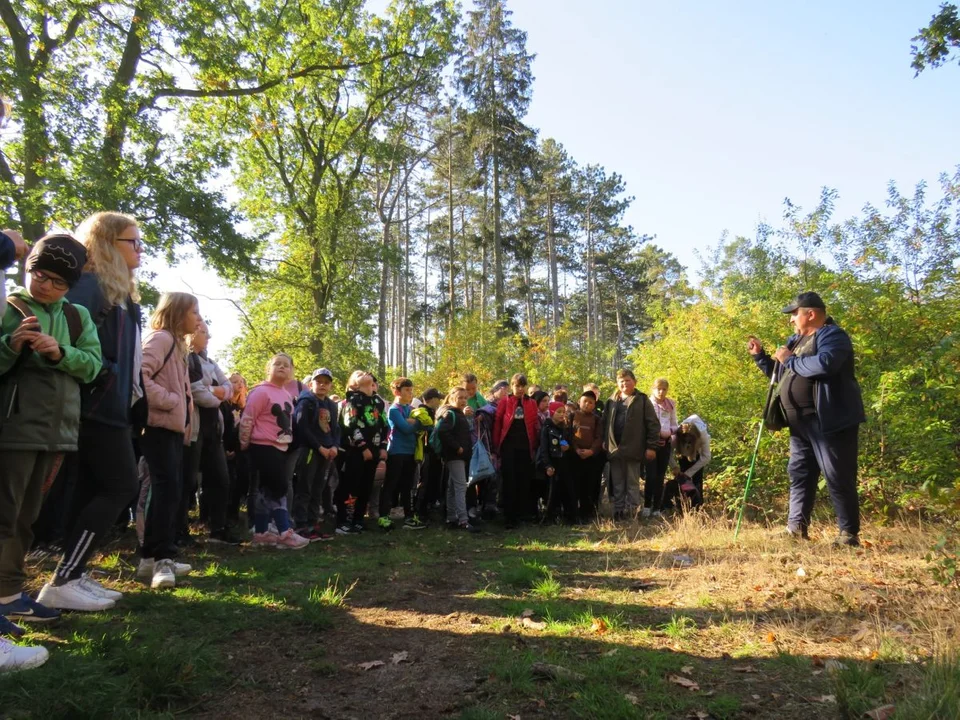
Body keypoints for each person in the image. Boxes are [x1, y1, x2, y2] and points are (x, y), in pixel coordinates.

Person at [0, 234, 102, 668]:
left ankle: (9, 594)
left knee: (28, 515)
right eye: (39, 274)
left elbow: (94, 364)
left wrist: (61, 352)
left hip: (58, 432)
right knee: (4, 514)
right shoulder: (8, 308)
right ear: (28, 269)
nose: (45, 286)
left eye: (58, 282)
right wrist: (12, 346)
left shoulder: (78, 317)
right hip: (14, 429)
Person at [37, 213, 143, 611]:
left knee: (91, 489)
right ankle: (65, 577)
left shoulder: (118, 293)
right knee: (121, 486)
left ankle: (73, 574)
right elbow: (68, 339)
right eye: (133, 242)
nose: (140, 250)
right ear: (106, 242)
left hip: (111, 407)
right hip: (94, 407)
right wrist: (107, 377)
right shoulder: (89, 285)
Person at [748, 291, 865, 546]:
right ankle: (796, 529)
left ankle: (848, 534)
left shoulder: (833, 336)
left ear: (810, 314)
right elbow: (782, 374)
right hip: (798, 424)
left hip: (829, 420)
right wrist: (761, 358)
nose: (791, 320)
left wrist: (789, 359)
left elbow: (824, 365)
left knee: (837, 474)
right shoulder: (795, 340)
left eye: (794, 314)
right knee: (800, 473)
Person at [138, 292, 200, 588]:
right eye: (194, 312)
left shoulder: (177, 346)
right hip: (157, 427)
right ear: (177, 313)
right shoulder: (160, 339)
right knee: (164, 491)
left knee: (172, 491)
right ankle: (160, 557)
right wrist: (171, 401)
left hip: (173, 430)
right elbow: (140, 377)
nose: (198, 319)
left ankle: (151, 558)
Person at [239, 353, 308, 550]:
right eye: (277, 363)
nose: (282, 367)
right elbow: (248, 419)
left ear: (292, 371)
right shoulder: (260, 392)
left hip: (280, 448)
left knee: (267, 490)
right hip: (262, 446)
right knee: (279, 488)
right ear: (268, 368)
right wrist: (245, 443)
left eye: (286, 365)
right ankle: (285, 532)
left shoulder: (286, 394)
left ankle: (261, 533)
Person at [184, 321, 239, 544]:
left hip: (213, 429)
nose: (209, 337)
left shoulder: (210, 361)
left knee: (220, 479)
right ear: (192, 333)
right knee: (187, 481)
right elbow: (196, 392)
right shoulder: (185, 358)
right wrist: (216, 394)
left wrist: (213, 392)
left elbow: (230, 389)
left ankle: (218, 528)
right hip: (192, 426)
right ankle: (180, 531)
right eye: (205, 332)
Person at [602, 369, 659, 521]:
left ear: (635, 382)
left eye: (627, 380)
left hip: (634, 449)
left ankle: (633, 513)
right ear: (617, 383)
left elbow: (653, 424)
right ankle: (618, 512)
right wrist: (604, 441)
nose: (624, 383)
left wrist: (651, 447)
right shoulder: (611, 400)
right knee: (618, 484)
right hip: (615, 449)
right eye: (621, 381)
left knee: (632, 483)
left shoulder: (642, 400)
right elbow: (604, 423)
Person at [335, 371, 387, 535]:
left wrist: (383, 447)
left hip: (374, 450)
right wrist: (363, 447)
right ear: (355, 384)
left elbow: (384, 424)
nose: (365, 373)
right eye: (359, 374)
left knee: (366, 486)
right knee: (350, 485)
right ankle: (343, 521)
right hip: (355, 451)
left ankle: (358, 519)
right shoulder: (353, 399)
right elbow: (351, 424)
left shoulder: (377, 401)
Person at [292, 368, 340, 540]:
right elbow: (301, 427)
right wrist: (319, 447)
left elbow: (336, 428)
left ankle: (313, 523)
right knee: (305, 487)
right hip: (310, 450)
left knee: (318, 489)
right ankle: (301, 525)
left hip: (327, 453)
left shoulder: (331, 405)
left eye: (326, 382)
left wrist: (335, 445)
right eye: (319, 381)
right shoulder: (306, 401)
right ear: (311, 383)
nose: (322, 385)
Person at [494, 373, 539, 528]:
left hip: (525, 448)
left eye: (522, 386)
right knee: (509, 481)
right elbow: (498, 423)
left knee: (523, 481)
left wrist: (535, 446)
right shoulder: (505, 402)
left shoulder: (531, 403)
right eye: (517, 386)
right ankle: (509, 517)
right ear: (511, 387)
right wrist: (496, 446)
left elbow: (534, 425)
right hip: (508, 447)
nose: (520, 389)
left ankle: (521, 515)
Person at [380, 377, 425, 530]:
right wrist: (415, 423)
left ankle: (409, 517)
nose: (410, 393)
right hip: (396, 452)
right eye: (406, 390)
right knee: (391, 485)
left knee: (407, 486)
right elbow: (405, 429)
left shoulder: (411, 410)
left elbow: (425, 425)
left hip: (411, 452)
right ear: (396, 391)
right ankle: (383, 516)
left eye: (411, 390)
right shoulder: (393, 410)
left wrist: (415, 422)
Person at [436, 387, 478, 533]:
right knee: (460, 486)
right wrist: (457, 448)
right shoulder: (450, 414)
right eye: (460, 397)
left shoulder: (459, 414)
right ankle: (463, 520)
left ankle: (451, 516)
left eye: (465, 398)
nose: (463, 400)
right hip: (455, 456)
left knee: (453, 487)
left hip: (460, 456)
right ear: (452, 398)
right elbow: (443, 431)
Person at [645, 378, 678, 518]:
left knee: (660, 477)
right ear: (653, 389)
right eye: (658, 388)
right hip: (651, 443)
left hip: (665, 443)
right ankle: (647, 505)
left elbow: (674, 424)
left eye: (664, 389)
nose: (661, 392)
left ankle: (657, 508)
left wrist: (668, 432)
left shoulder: (670, 404)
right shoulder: (647, 404)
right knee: (650, 476)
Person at [663, 414, 711, 511]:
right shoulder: (676, 437)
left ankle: (697, 507)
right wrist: (674, 467)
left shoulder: (703, 436)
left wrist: (689, 474)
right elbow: (667, 453)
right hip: (682, 453)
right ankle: (682, 505)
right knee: (682, 480)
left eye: (689, 442)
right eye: (686, 442)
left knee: (697, 478)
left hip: (698, 451)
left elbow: (706, 457)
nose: (688, 444)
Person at [538, 401, 575, 524]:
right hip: (552, 462)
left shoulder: (565, 427)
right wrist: (547, 465)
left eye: (563, 412)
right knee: (552, 491)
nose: (561, 415)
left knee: (567, 489)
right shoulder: (546, 428)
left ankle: (569, 516)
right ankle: (550, 516)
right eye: (559, 412)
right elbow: (543, 448)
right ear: (552, 412)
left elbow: (570, 443)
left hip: (564, 462)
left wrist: (567, 447)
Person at [571, 391, 603, 523]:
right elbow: (569, 436)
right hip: (574, 457)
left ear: (594, 405)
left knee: (589, 486)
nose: (587, 404)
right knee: (574, 486)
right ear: (579, 401)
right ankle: (573, 513)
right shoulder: (572, 416)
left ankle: (587, 513)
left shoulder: (596, 419)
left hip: (590, 458)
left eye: (591, 403)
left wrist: (591, 451)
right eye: (585, 401)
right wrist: (576, 449)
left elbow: (599, 437)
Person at [412, 388, 443, 523]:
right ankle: (420, 510)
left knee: (434, 480)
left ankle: (429, 507)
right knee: (425, 481)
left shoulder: (433, 412)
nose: (439, 401)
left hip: (435, 452)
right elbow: (428, 426)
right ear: (430, 399)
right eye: (437, 399)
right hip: (426, 452)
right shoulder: (422, 411)